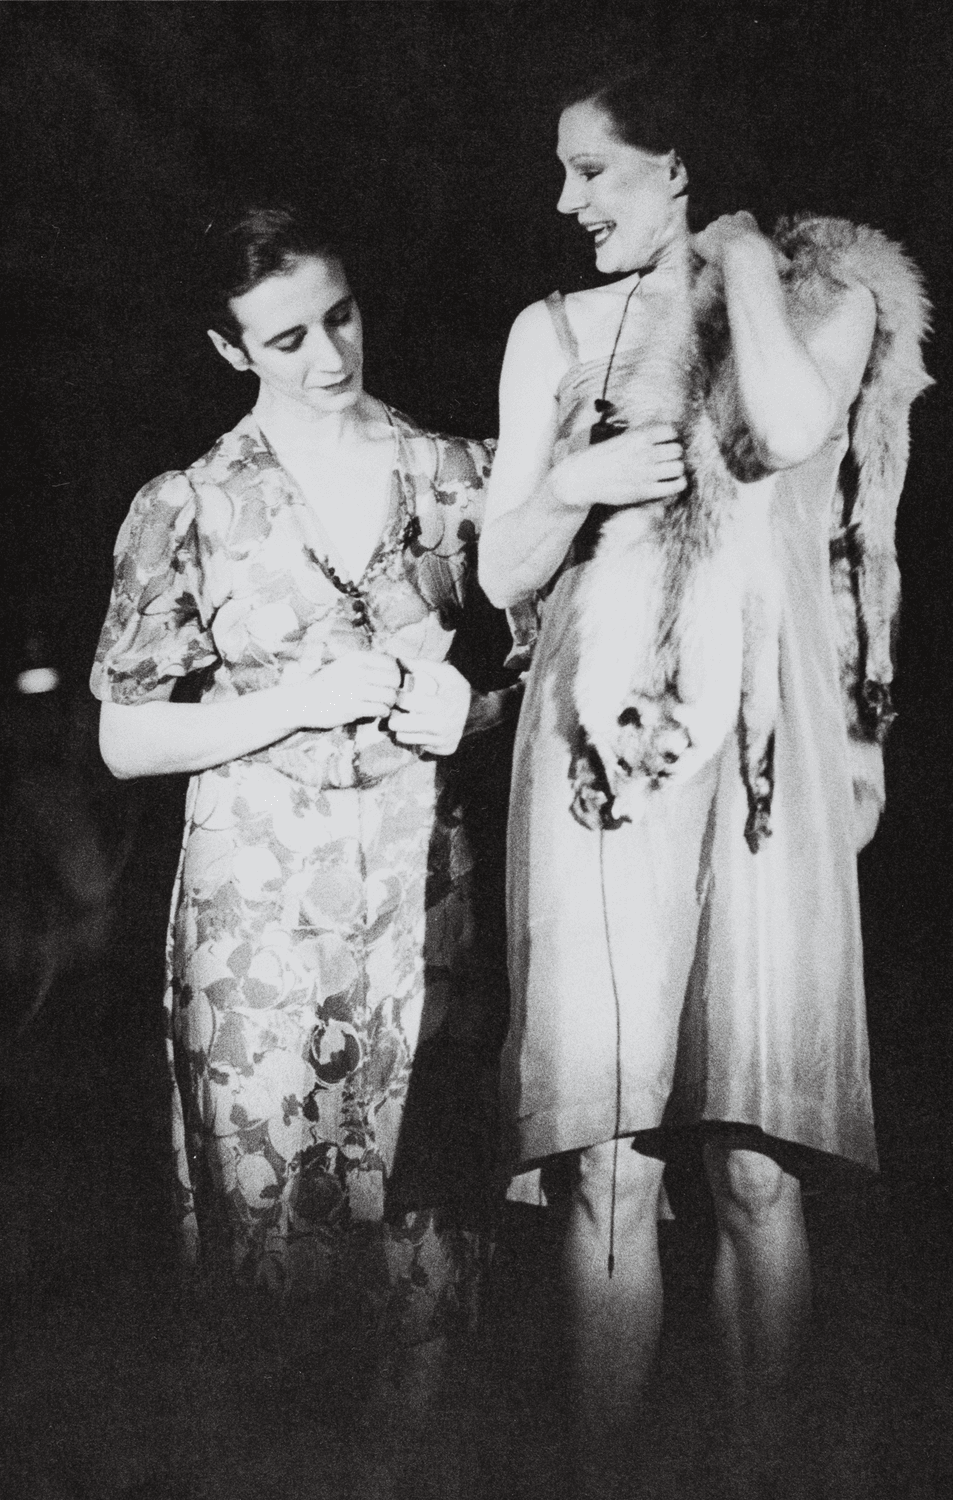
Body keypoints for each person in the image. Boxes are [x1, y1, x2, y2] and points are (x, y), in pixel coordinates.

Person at [479, 65, 930, 1491]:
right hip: (599, 747)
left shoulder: (822, 297)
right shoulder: (551, 331)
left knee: (751, 1158)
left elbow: (796, 441)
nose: (566, 202)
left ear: (681, 166)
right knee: (607, 1160)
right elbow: (500, 567)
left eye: (593, 170)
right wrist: (572, 488)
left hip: (762, 748)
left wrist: (732, 256)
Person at [91, 205, 510, 1462]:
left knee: (430, 1236)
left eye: (341, 316)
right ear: (231, 351)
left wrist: (475, 708)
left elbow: (543, 673)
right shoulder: (191, 504)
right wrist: (293, 703)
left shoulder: (458, 474)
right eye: (287, 338)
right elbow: (124, 735)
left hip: (423, 904)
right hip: (260, 928)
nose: (329, 356)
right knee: (274, 1244)